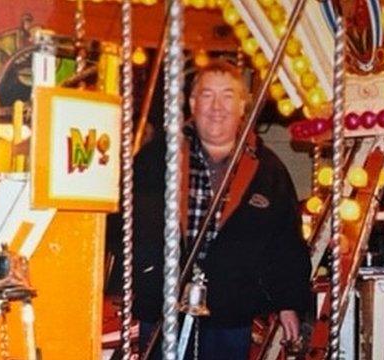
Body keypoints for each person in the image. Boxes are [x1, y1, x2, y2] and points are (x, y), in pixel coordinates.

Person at [128, 60, 311, 359]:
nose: (217, 106)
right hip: (164, 309)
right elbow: (130, 225)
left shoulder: (268, 170)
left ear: (242, 105)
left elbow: (286, 242)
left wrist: (288, 302)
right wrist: (144, 278)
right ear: (192, 102)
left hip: (231, 312)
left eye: (227, 96)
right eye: (207, 94)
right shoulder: (155, 160)